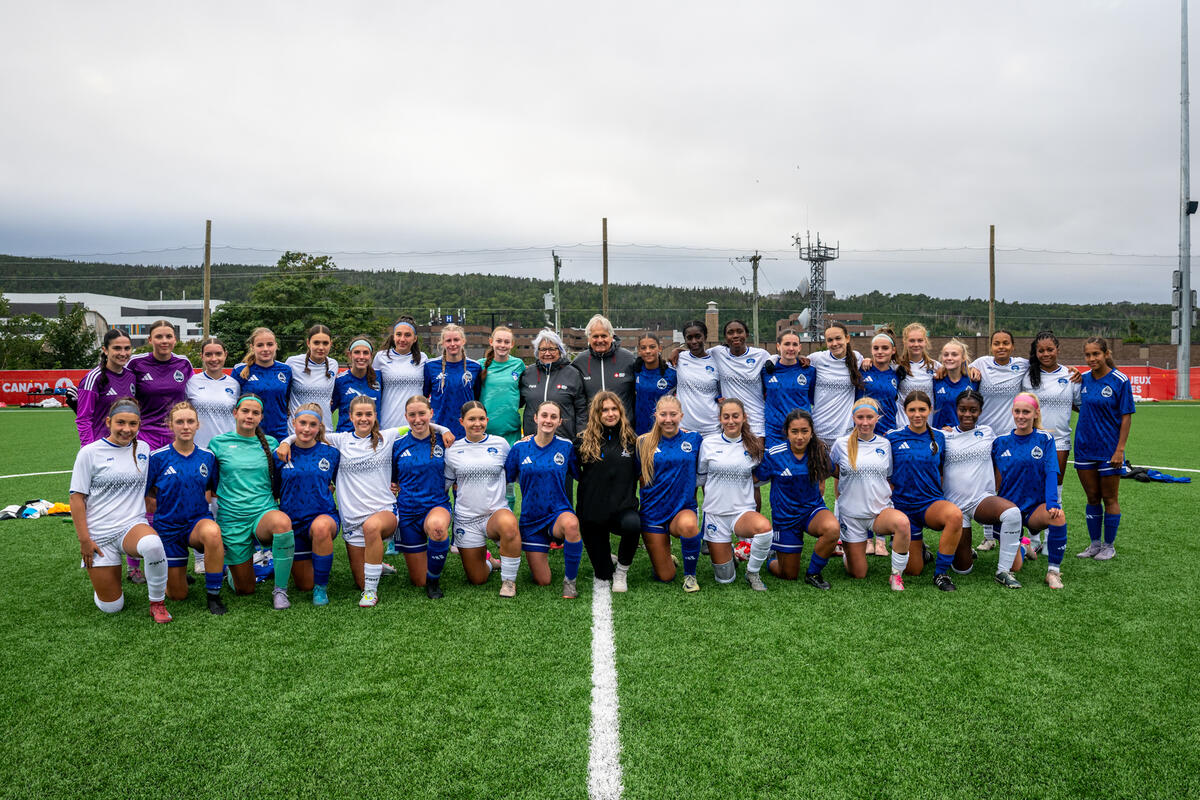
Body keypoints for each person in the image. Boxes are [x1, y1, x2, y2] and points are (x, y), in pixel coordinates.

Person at [276, 395, 418, 607]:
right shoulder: (339, 441)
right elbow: (307, 434)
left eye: (368, 414)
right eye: (359, 414)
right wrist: (286, 441)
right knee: (322, 583)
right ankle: (376, 564)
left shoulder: (387, 437)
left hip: (383, 512)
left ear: (375, 416)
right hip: (353, 520)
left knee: (372, 528)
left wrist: (445, 432)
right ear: (350, 416)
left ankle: (370, 593)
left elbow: (417, 425)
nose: (364, 418)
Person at [69, 398, 172, 622]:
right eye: (121, 423)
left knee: (153, 545)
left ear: (139, 425)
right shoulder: (89, 453)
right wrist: (84, 540)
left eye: (133, 424)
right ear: (108, 422)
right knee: (113, 607)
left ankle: (157, 603)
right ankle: (105, 582)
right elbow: (76, 499)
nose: (127, 429)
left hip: (131, 526)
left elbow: (156, 483)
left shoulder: (143, 449)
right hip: (99, 535)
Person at [208, 394, 296, 609]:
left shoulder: (272, 443)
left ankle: (280, 591)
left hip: (262, 513)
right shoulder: (218, 443)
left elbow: (301, 444)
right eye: (245, 411)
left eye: (255, 413)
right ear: (235, 413)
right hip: (231, 518)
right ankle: (233, 569)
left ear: (261, 417)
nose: (249, 416)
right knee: (245, 590)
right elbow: (208, 478)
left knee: (282, 523)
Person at [144, 401, 226, 614]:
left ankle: (214, 595)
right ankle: (178, 574)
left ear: (198, 425)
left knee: (213, 532)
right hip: (168, 528)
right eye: (179, 422)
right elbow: (147, 494)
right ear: (170, 425)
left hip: (196, 523)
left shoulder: (208, 457)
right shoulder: (157, 457)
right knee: (178, 595)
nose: (186, 426)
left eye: (190, 421)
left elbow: (211, 489)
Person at [942, 389, 1027, 587]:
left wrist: (996, 487)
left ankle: (1003, 571)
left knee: (1013, 514)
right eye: (963, 409)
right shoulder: (944, 436)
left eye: (973, 410)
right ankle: (964, 549)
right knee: (963, 569)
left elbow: (1003, 457)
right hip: (955, 510)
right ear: (956, 410)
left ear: (980, 411)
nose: (967, 415)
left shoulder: (988, 433)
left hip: (981, 500)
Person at [829, 398, 912, 590]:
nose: (864, 422)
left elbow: (889, 477)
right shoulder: (841, 444)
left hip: (879, 513)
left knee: (903, 523)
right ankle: (849, 554)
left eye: (869, 417)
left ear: (877, 419)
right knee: (859, 573)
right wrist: (842, 499)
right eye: (860, 417)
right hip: (851, 517)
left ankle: (896, 575)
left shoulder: (885, 444)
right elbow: (834, 472)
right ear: (853, 418)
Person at [443, 401, 523, 597]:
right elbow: (444, 486)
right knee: (477, 579)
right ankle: (490, 562)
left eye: (481, 419)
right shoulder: (453, 450)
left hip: (494, 514)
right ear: (462, 422)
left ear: (487, 420)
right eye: (471, 419)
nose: (477, 423)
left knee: (509, 525)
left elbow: (516, 471)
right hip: (466, 520)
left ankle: (509, 581)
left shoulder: (501, 444)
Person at [885, 391, 963, 591]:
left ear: (930, 410)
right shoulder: (892, 438)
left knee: (954, 515)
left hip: (930, 504)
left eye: (922, 409)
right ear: (905, 411)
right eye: (912, 410)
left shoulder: (940, 437)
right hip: (903, 509)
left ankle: (941, 573)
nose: (917, 414)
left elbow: (944, 469)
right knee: (914, 570)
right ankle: (921, 552)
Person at [505, 401, 584, 597]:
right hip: (531, 519)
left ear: (559, 422)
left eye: (553, 417)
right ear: (535, 418)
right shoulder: (520, 448)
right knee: (543, 581)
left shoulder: (566, 447)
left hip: (558, 513)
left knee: (572, 525)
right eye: (544, 416)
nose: (548, 420)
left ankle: (570, 582)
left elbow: (581, 475)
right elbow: (506, 478)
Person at [754, 410, 839, 588]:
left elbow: (835, 470)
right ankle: (772, 556)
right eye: (794, 431)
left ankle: (814, 573)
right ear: (786, 432)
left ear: (811, 432)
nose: (800, 437)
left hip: (812, 511)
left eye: (804, 431)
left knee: (832, 528)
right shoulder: (775, 455)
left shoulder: (819, 451)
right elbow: (754, 478)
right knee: (788, 575)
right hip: (786, 519)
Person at [993, 393, 1069, 588]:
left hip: (1034, 508)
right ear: (1012, 412)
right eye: (1017, 411)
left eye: (1026, 412)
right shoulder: (1000, 442)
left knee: (1058, 517)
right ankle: (1023, 545)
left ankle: (1053, 572)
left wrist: (1052, 503)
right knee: (1015, 567)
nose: (1021, 416)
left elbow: (1052, 471)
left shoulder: (1045, 439)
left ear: (1035, 414)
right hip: (1009, 511)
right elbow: (993, 477)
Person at [698, 399, 774, 590]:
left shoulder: (753, 445)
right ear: (720, 419)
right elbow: (700, 477)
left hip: (742, 512)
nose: (731, 421)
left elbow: (760, 477)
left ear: (744, 418)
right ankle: (729, 551)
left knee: (765, 529)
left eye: (735, 416)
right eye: (726, 417)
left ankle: (752, 572)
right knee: (725, 579)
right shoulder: (708, 443)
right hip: (715, 514)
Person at [1074, 336, 1135, 561]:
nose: (1092, 359)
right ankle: (1094, 544)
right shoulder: (1083, 379)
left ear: (1106, 353)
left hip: (1109, 450)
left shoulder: (1120, 380)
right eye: (1088, 355)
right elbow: (1077, 405)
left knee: (1110, 498)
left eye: (1096, 354)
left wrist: (1120, 450)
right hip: (1084, 447)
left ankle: (1109, 545)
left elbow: (1126, 417)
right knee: (1092, 497)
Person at [636, 395, 704, 592]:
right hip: (652, 514)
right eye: (663, 414)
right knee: (665, 576)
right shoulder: (643, 442)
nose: (668, 419)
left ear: (681, 415)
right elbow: (637, 477)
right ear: (656, 415)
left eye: (673, 414)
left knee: (689, 525)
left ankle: (690, 576)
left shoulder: (694, 439)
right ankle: (666, 557)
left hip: (681, 509)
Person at [275, 404, 341, 606]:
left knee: (321, 528)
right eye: (302, 423)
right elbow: (274, 489)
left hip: (323, 517)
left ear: (319, 427)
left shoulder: (331, 453)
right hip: (293, 523)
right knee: (304, 584)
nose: (306, 429)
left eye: (312, 425)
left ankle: (321, 590)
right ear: (294, 423)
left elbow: (339, 483)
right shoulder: (280, 453)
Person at [575, 391, 641, 592]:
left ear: (620, 411)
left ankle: (621, 570)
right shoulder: (582, 441)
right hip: (592, 515)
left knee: (633, 524)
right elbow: (574, 472)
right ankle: (606, 558)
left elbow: (639, 472)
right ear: (596, 413)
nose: (610, 414)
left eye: (614, 409)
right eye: (605, 410)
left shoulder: (632, 441)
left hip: (622, 510)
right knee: (602, 574)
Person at [1022, 330, 1081, 556]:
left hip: (1059, 440)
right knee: (1032, 487)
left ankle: (1050, 539)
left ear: (1058, 349)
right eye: (1041, 350)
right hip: (1031, 439)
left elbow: (1078, 404)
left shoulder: (1070, 375)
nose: (1046, 354)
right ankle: (1033, 539)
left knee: (1054, 489)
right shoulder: (1027, 376)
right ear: (1035, 353)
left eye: (1050, 349)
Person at [391, 395, 454, 599]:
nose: (417, 419)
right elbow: (391, 478)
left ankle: (434, 581)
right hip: (408, 512)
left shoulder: (445, 442)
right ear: (405, 417)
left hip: (436, 505)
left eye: (422, 414)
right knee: (419, 580)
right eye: (412, 415)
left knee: (437, 528)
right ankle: (430, 570)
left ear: (431, 414)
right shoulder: (398, 445)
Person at [477, 326, 525, 507]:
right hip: (486, 434)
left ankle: (508, 520)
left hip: (511, 432)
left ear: (512, 344)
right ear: (491, 342)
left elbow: (521, 394)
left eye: (506, 342)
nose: (502, 345)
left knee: (509, 480)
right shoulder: (480, 365)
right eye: (499, 341)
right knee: (486, 480)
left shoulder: (518, 365)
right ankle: (486, 519)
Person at [129, 320, 194, 450]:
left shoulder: (184, 363)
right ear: (150, 340)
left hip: (177, 434)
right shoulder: (136, 363)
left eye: (169, 336)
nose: (164, 341)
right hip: (145, 435)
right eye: (159, 337)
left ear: (175, 339)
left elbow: (193, 396)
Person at [706, 319, 771, 437]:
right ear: (725, 337)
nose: (735, 335)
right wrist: (678, 350)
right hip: (730, 422)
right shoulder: (717, 353)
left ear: (746, 334)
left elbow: (781, 361)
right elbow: (697, 355)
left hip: (756, 421)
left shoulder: (761, 355)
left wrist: (801, 357)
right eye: (730, 332)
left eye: (739, 331)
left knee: (756, 455)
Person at [520, 329, 587, 440]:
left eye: (552, 349)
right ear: (537, 352)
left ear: (560, 350)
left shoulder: (573, 373)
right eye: (543, 349)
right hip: (533, 441)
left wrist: (580, 437)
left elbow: (582, 411)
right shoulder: (528, 374)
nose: (547, 353)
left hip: (564, 441)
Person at [570, 314, 638, 422]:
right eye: (595, 336)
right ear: (589, 338)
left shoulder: (628, 359)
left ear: (611, 336)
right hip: (593, 431)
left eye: (604, 336)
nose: (600, 340)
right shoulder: (580, 362)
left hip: (624, 430)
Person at [75, 329, 136, 446]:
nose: (123, 353)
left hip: (126, 446)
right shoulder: (93, 378)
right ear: (105, 350)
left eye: (127, 348)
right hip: (101, 447)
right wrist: (88, 450)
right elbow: (83, 419)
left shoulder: (132, 376)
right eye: (117, 348)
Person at [810, 321, 865, 447]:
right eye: (830, 340)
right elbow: (792, 360)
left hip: (845, 433)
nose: (834, 344)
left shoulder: (857, 358)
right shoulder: (817, 359)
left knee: (842, 467)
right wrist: (773, 359)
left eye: (838, 338)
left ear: (847, 338)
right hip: (819, 431)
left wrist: (868, 360)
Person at [424, 323, 482, 440]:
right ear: (442, 343)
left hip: (466, 430)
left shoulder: (475, 367)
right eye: (448, 340)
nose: (452, 344)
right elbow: (425, 396)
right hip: (439, 428)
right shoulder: (430, 366)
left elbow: (477, 396)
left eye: (456, 340)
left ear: (463, 341)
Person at [233, 327, 293, 440]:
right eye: (260, 345)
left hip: (279, 435)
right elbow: (233, 403)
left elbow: (288, 399)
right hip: (249, 435)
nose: (265, 349)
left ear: (276, 345)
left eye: (270, 344)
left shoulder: (286, 370)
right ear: (252, 347)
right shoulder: (239, 370)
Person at [761, 330, 815, 447]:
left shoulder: (809, 371)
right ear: (778, 346)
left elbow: (812, 399)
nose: (791, 348)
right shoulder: (766, 371)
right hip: (774, 432)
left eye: (795, 344)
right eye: (787, 344)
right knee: (775, 465)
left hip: (800, 433)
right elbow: (762, 395)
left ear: (800, 347)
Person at [374, 317, 427, 429]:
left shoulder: (423, 358)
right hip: (388, 425)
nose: (402, 339)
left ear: (415, 338)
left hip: (416, 426)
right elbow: (374, 390)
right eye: (399, 334)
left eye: (407, 335)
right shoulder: (381, 357)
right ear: (393, 337)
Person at [186, 336, 238, 448]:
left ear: (225, 355)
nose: (214, 359)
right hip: (198, 448)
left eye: (218, 354)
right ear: (202, 356)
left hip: (227, 448)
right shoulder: (192, 382)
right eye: (208, 354)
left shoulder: (234, 384)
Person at [285, 324, 338, 432]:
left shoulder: (333, 364)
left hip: (325, 430)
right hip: (298, 431)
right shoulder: (292, 362)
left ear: (331, 344)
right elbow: (282, 391)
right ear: (308, 343)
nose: (321, 347)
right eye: (316, 342)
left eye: (325, 343)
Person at [673, 320, 721, 436]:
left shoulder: (716, 361)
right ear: (685, 340)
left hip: (712, 429)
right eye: (689, 338)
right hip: (684, 429)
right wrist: (677, 350)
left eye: (698, 337)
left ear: (705, 337)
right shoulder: (678, 359)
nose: (694, 341)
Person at [895, 323, 940, 428]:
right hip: (903, 425)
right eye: (912, 340)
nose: (916, 344)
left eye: (920, 340)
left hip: (927, 426)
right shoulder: (896, 366)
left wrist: (974, 369)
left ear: (926, 341)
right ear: (905, 342)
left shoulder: (935, 366)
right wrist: (867, 361)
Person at [333, 336, 382, 433]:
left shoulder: (380, 377)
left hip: (372, 439)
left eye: (365, 353)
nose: (361, 357)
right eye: (357, 352)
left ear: (371, 355)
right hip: (346, 439)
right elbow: (327, 410)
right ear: (349, 355)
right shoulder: (340, 381)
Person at [631, 333, 676, 436]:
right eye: (643, 348)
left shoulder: (672, 374)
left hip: (664, 430)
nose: (648, 351)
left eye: (652, 347)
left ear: (659, 348)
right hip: (640, 431)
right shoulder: (635, 371)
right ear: (639, 350)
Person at [859, 331, 902, 435]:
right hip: (863, 430)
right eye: (876, 348)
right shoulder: (861, 370)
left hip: (888, 431)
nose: (880, 351)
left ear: (893, 350)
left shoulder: (897, 374)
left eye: (885, 348)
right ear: (871, 350)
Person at [931, 339, 977, 430]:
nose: (949, 358)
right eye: (946, 355)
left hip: (965, 436)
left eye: (954, 354)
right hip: (940, 435)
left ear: (963, 358)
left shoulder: (973, 380)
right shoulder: (936, 380)